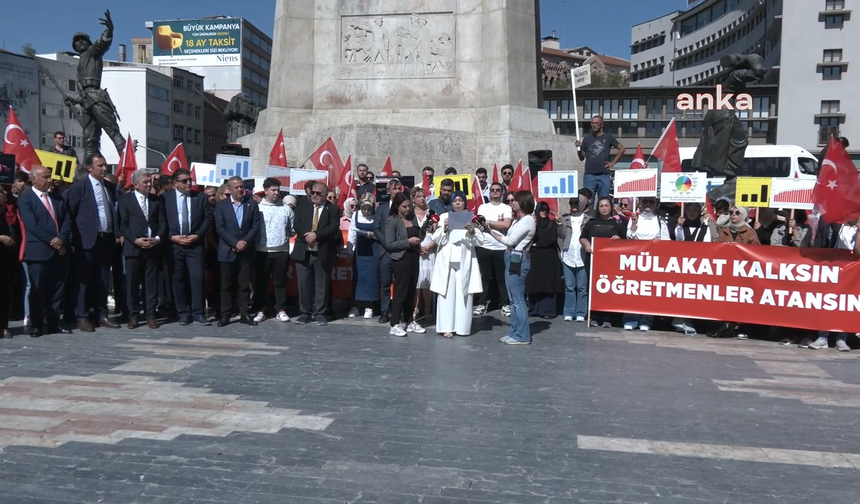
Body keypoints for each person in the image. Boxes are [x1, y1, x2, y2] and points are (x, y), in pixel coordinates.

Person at [63, 154, 120, 332]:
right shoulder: (80, 187)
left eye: (105, 165)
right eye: (100, 166)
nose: (104, 168)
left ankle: (101, 314)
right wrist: (71, 238)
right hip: (85, 241)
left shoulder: (109, 187)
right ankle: (81, 315)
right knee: (83, 280)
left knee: (102, 279)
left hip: (105, 239)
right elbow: (68, 213)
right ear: (89, 168)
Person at [17, 166, 73, 337]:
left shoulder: (57, 198)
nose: (49, 180)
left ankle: (53, 322)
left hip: (59, 251)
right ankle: (36, 324)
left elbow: (67, 220)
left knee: (56, 289)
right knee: (38, 290)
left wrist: (61, 239)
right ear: (33, 179)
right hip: (39, 251)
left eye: (49, 177)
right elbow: (32, 225)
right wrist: (52, 241)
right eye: (45, 177)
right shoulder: (26, 199)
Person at [162, 169, 212, 326]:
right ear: (175, 183)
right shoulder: (165, 198)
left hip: (194, 245)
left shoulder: (200, 197)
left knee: (197, 278)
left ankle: (197, 312)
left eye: (189, 180)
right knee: (178, 279)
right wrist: (171, 236)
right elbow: (161, 221)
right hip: (174, 244)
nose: (189, 183)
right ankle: (183, 312)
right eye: (184, 181)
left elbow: (208, 219)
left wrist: (197, 235)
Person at [430, 191, 484, 338]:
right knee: (446, 294)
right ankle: (446, 327)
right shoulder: (444, 217)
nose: (458, 203)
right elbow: (436, 239)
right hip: (447, 261)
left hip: (464, 261)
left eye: (460, 200)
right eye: (455, 200)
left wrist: (472, 231)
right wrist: (445, 228)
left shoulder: (471, 218)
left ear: (465, 202)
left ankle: (462, 328)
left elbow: (480, 241)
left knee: (464, 295)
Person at [486, 191, 536, 345]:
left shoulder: (527, 220)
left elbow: (510, 241)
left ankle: (522, 335)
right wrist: (488, 230)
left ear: (523, 203)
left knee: (518, 299)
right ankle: (515, 331)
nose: (512, 203)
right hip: (512, 257)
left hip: (518, 259)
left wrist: (490, 231)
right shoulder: (518, 220)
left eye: (515, 201)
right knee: (513, 299)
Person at [118, 171, 165, 329]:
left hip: (152, 247)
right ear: (136, 184)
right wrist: (135, 240)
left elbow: (162, 223)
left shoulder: (156, 200)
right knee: (132, 283)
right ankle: (133, 315)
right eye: (145, 182)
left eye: (149, 182)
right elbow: (123, 224)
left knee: (150, 284)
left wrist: (157, 239)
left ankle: (151, 314)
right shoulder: (125, 200)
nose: (148, 185)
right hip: (133, 248)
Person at [214, 176, 262, 327]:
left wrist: (244, 242)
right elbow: (220, 228)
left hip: (246, 251)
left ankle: (244, 313)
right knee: (226, 285)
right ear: (230, 189)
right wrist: (235, 243)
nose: (240, 189)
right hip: (227, 250)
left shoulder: (251, 204)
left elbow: (255, 225)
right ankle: (225, 315)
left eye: (242, 187)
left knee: (244, 285)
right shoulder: (222, 206)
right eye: (237, 187)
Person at [291, 182, 340, 325]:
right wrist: (307, 236)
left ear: (325, 194)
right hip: (303, 251)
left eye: (318, 193)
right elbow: (297, 223)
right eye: (313, 192)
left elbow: (333, 227)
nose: (314, 195)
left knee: (321, 285)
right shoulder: (302, 205)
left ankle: (320, 313)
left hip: (322, 252)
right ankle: (305, 313)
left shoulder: (333, 209)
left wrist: (316, 235)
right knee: (304, 284)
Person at [708, 206, 761, 340]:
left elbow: (756, 251)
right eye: (731, 212)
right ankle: (724, 325)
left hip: (743, 273)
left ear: (743, 215)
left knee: (742, 300)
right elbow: (717, 248)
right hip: (726, 272)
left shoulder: (749, 232)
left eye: (737, 213)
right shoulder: (725, 231)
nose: (733, 215)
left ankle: (741, 327)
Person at [252, 178, 294, 323]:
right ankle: (260, 309)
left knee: (280, 282)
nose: (276, 193)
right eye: (273, 190)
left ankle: (281, 309)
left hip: (281, 251)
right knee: (261, 282)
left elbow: (292, 229)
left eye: (278, 190)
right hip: (261, 251)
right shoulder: (257, 208)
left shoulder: (286, 209)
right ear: (266, 191)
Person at [623, 197, 670, 331]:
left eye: (651, 202)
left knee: (648, 292)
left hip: (653, 262)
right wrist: (633, 224)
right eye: (645, 201)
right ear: (640, 203)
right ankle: (631, 318)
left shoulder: (660, 221)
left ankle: (646, 320)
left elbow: (667, 242)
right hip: (635, 261)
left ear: (656, 204)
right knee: (633, 291)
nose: (648, 204)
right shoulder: (635, 218)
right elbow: (629, 237)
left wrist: (657, 243)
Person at [580, 197, 627, 328]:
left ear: (611, 207)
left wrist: (619, 238)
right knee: (594, 288)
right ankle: (595, 316)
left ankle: (608, 317)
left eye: (606, 205)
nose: (604, 208)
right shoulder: (592, 222)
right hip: (594, 261)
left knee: (609, 288)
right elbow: (583, 237)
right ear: (598, 208)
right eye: (601, 206)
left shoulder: (617, 223)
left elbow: (626, 239)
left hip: (611, 262)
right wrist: (587, 245)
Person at [384, 193, 425, 336]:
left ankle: (409, 320)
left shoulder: (412, 218)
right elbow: (389, 244)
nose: (408, 209)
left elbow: (418, 235)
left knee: (411, 291)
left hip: (413, 257)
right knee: (400, 291)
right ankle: (394, 323)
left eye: (409, 206)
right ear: (397, 207)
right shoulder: (392, 221)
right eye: (404, 207)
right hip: (401, 259)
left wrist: (421, 241)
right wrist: (408, 242)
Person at [671, 202, 714, 336]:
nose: (691, 212)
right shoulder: (681, 226)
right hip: (682, 267)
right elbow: (678, 241)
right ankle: (680, 320)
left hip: (698, 267)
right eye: (689, 209)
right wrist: (679, 226)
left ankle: (689, 321)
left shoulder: (704, 228)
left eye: (694, 210)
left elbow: (707, 246)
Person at [474, 182, 512, 317]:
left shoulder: (507, 208)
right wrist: (495, 224)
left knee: (502, 278)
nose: (495, 192)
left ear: (502, 193)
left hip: (501, 247)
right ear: (489, 192)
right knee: (485, 277)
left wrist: (488, 222)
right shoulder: (482, 207)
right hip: (484, 246)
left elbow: (506, 224)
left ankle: (505, 303)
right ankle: (482, 302)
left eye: (498, 190)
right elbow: (479, 223)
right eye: (492, 190)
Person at [373, 178, 404, 323]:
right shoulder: (381, 209)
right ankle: (385, 311)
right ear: (388, 191)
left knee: (400, 283)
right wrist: (387, 243)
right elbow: (377, 229)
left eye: (399, 188)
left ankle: (399, 311)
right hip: (385, 251)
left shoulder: (405, 208)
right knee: (385, 283)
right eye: (395, 188)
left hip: (401, 250)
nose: (397, 191)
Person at [575, 116, 625, 204]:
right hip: (589, 175)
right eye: (592, 123)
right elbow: (581, 157)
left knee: (604, 201)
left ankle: (601, 217)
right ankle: (589, 217)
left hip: (604, 175)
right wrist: (578, 149)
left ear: (602, 125)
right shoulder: (587, 138)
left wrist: (613, 163)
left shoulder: (608, 137)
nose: (594, 125)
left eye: (596, 123)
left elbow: (622, 149)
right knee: (588, 201)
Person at [527, 202, 563, 319]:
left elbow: (552, 239)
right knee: (535, 283)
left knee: (548, 284)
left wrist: (538, 244)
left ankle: (547, 310)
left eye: (546, 210)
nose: (544, 212)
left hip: (549, 257)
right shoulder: (533, 223)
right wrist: (532, 224)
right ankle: (534, 309)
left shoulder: (552, 224)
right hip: (536, 257)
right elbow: (529, 238)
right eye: (541, 210)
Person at [558, 195, 590, 322]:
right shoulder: (565, 218)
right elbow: (561, 235)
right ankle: (569, 312)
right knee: (569, 286)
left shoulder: (588, 219)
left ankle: (581, 312)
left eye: (576, 203)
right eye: (572, 203)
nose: (574, 206)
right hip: (568, 255)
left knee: (582, 287)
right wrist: (559, 223)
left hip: (582, 256)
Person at [347, 193, 379, 319]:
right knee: (358, 277)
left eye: (368, 209)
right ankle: (357, 305)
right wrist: (350, 251)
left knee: (371, 278)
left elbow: (381, 232)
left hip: (373, 249)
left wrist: (373, 234)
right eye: (364, 208)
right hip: (360, 251)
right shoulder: (356, 215)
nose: (366, 211)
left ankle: (369, 306)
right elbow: (352, 234)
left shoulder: (376, 216)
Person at [410, 187, 435, 322]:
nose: (421, 198)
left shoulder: (431, 213)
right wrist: (417, 247)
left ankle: (427, 308)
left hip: (429, 248)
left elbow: (437, 232)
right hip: (416, 249)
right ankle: (415, 308)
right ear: (413, 199)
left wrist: (430, 246)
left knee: (428, 281)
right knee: (417, 281)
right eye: (418, 196)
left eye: (423, 196)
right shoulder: (410, 214)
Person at [0, 185, 19, 337]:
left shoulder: (4, 211)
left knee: (5, 291)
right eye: (0, 192)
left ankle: (3, 325)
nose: (4, 193)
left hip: (5, 257)